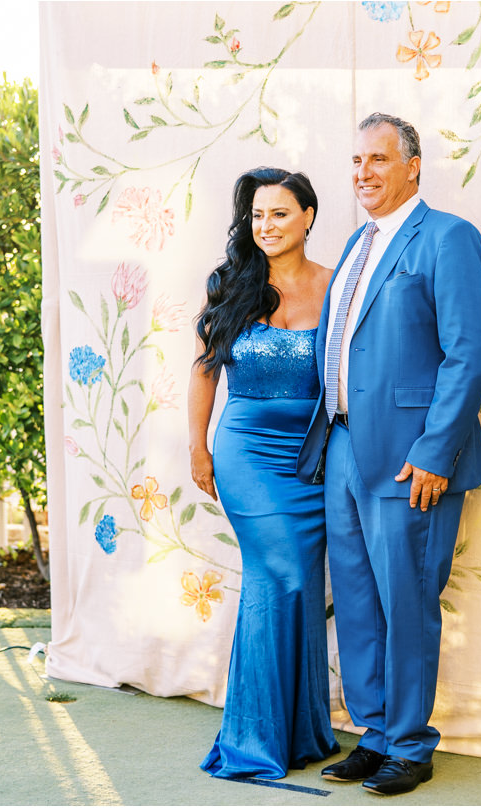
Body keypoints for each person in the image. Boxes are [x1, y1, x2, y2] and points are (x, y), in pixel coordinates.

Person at [296, 113, 481, 796]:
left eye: (378, 160)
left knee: (406, 598)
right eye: (355, 161)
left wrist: (437, 451)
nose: (363, 173)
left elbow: (470, 352)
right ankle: (375, 731)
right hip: (346, 445)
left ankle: (410, 744)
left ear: (412, 165)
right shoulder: (358, 240)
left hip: (411, 457)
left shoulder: (447, 237)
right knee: (354, 598)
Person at [189, 167, 340, 779]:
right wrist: (196, 448)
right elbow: (204, 370)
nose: (265, 226)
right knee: (275, 574)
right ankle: (253, 740)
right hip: (247, 451)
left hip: (311, 457)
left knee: (302, 582)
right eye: (256, 215)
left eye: (279, 213)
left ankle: (302, 735)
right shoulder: (231, 285)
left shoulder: (337, 287)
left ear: (307, 216)